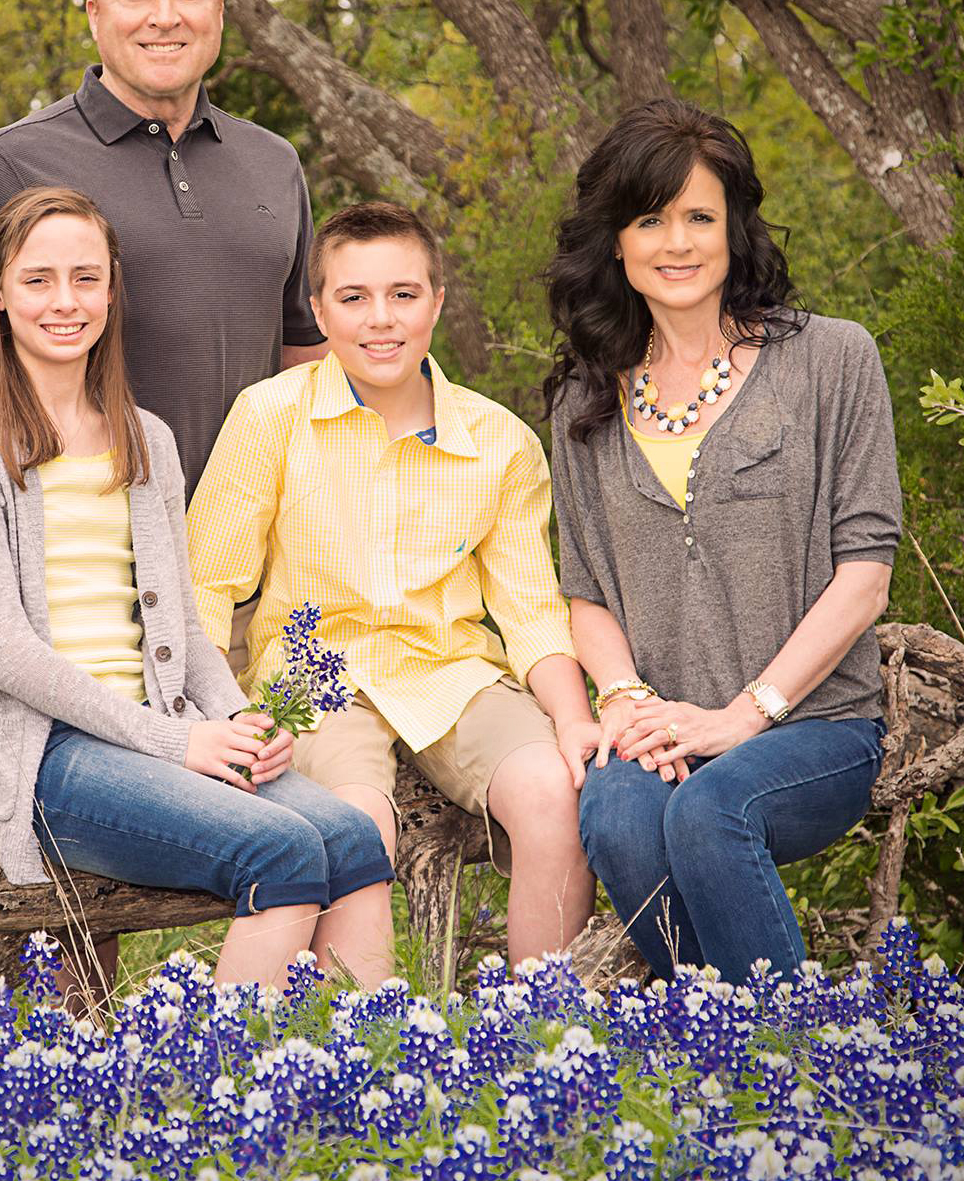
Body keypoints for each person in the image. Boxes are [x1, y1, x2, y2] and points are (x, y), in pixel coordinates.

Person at [0, 185, 393, 991]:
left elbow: (183, 626)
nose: (64, 302)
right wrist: (178, 744)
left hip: (160, 730)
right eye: (37, 280)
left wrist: (237, 715)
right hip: (48, 755)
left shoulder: (148, 439)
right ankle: (215, 1091)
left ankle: (355, 1062)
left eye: (85, 278)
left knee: (351, 842)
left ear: (110, 290)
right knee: (279, 852)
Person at [0, 0, 325, 690]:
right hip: (78, 590)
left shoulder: (274, 164)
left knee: (272, 801)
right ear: (94, 14)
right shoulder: (8, 163)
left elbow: (310, 364)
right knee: (77, 812)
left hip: (251, 586)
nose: (164, 16)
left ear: (219, 10)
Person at [542, 99, 901, 983]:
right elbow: (585, 588)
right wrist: (623, 698)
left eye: (699, 217)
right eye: (649, 219)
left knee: (710, 809)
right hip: (661, 727)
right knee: (618, 818)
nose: (676, 242)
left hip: (811, 725)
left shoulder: (830, 360)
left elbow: (865, 575)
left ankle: (798, 1062)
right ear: (615, 243)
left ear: (735, 231)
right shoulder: (584, 401)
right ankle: (716, 1062)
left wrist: (741, 717)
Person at [188, 202, 598, 969]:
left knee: (551, 791)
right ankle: (360, 1053)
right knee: (357, 823)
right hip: (313, 677)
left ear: (436, 301)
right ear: (317, 310)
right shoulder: (271, 415)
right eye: (353, 298)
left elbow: (532, 613)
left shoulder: (498, 441)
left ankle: (541, 1029)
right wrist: (223, 716)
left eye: (404, 294)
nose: (381, 320)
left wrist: (573, 720)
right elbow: (207, 584)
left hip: (450, 671)